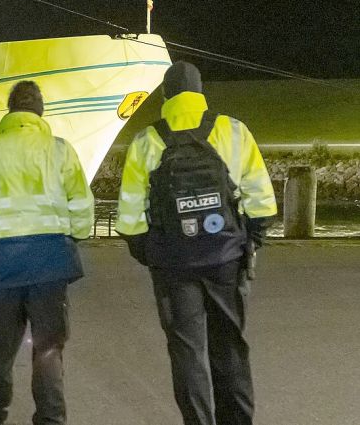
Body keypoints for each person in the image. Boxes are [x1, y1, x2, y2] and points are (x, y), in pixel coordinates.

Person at [115, 61, 277, 425]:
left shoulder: (147, 140)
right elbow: (262, 201)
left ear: (167, 96)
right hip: (226, 259)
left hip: (173, 265)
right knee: (230, 347)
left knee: (187, 352)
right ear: (200, 93)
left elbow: (129, 218)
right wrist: (249, 241)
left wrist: (152, 253)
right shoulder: (232, 131)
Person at [0, 80, 94, 425]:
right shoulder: (60, 150)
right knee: (48, 347)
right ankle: (50, 418)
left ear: (10, 111)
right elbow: (81, 205)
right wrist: (72, 238)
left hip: (1, 264)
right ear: (40, 111)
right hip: (50, 263)